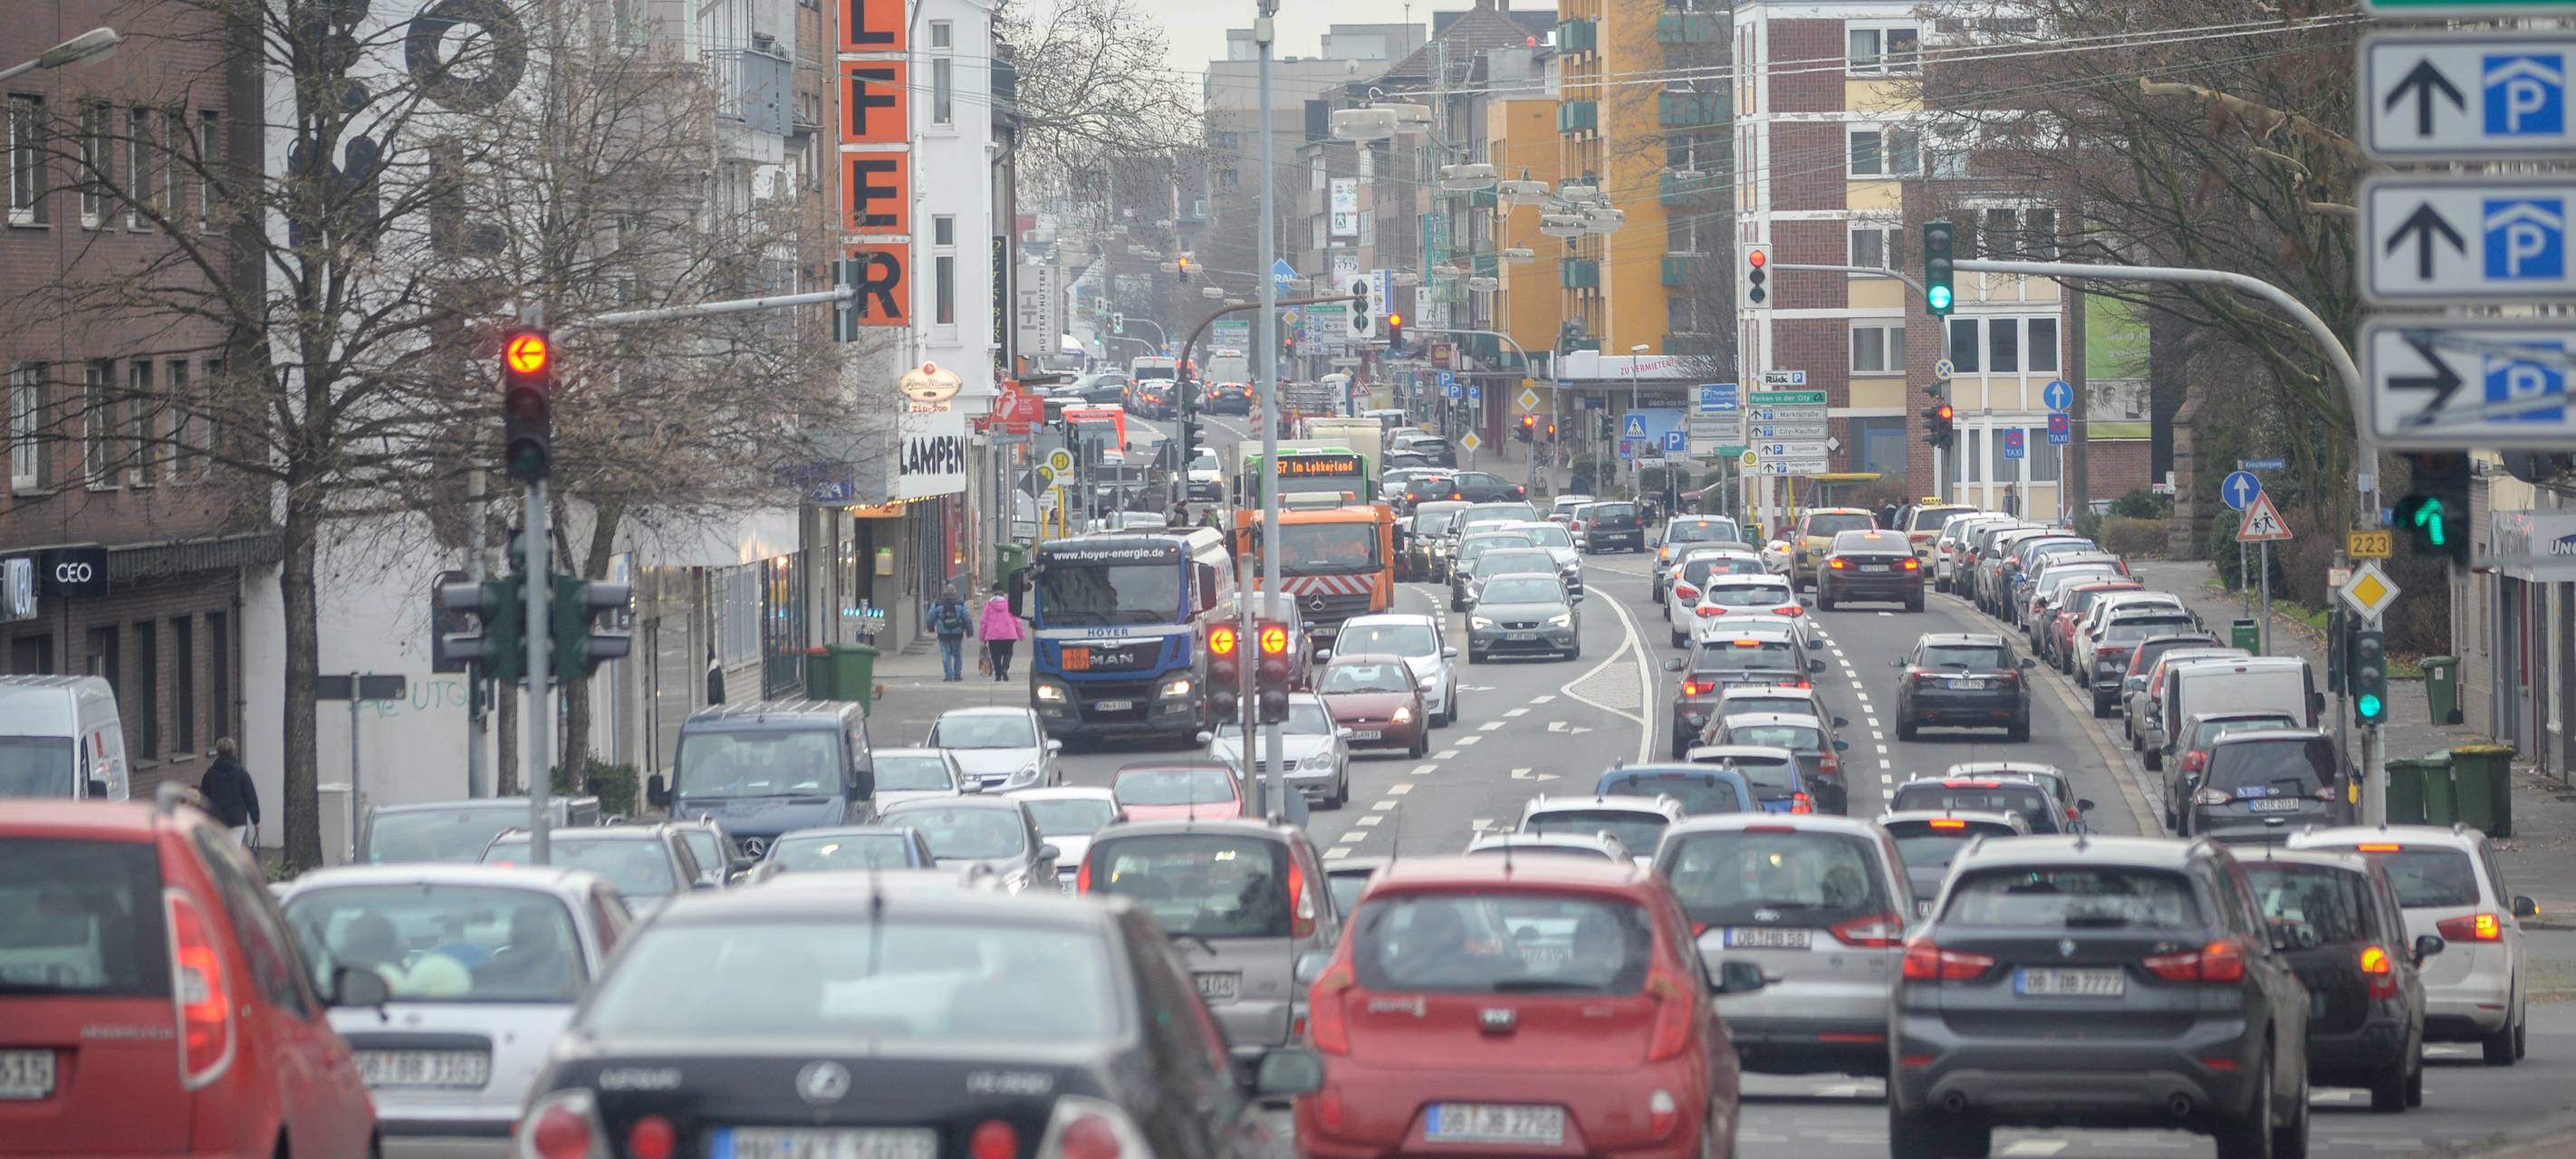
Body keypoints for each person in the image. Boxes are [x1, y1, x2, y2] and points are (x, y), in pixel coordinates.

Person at [198, 738, 260, 845]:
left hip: (216, 820)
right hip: (237, 820)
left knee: (219, 853)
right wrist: (256, 820)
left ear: (217, 752)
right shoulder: (241, 773)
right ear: (233, 751)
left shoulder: (210, 774)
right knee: (233, 853)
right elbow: (250, 797)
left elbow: (203, 798)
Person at [979, 586, 1024, 682]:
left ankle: (998, 674)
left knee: (996, 655)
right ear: (1003, 596)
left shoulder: (988, 606)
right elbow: (1017, 621)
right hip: (1009, 635)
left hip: (993, 636)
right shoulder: (1009, 605)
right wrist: (1021, 635)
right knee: (1008, 653)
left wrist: (982, 638)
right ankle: (1005, 669)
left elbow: (984, 622)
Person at [930, 583, 972, 682]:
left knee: (945, 653)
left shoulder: (937, 603)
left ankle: (948, 675)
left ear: (945, 591)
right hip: (957, 632)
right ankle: (957, 675)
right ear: (955, 591)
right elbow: (967, 617)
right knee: (957, 653)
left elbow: (931, 616)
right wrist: (969, 631)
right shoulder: (961, 603)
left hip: (943, 632)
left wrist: (931, 628)